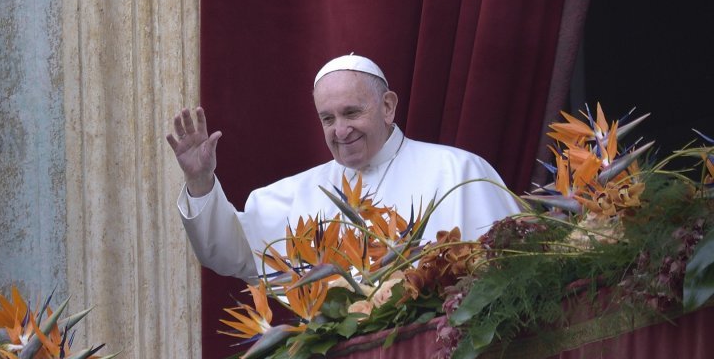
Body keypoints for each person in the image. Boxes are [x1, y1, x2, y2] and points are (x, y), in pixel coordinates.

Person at [166, 54, 520, 282]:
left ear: (387, 107)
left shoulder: (458, 172)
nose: (340, 130)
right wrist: (200, 181)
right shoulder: (296, 194)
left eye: (352, 113)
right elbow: (230, 254)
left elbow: (508, 274)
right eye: (327, 118)